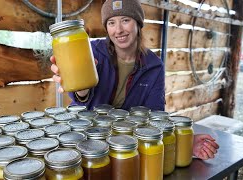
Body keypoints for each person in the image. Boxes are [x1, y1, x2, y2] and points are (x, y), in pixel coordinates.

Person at [50, 0, 219, 160]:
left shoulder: (154, 67)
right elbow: (81, 103)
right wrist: (81, 89)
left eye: (125, 20)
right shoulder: (91, 52)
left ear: (138, 23)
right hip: (86, 140)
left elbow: (155, 118)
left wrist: (185, 143)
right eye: (111, 23)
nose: (118, 30)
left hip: (127, 146)